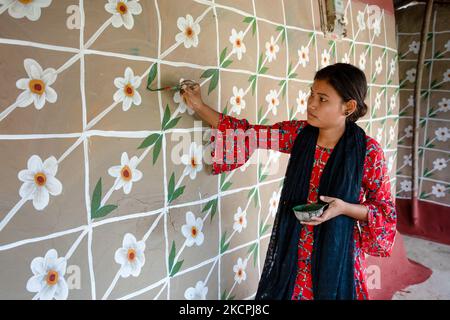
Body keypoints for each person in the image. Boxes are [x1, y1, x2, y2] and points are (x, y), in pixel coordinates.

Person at [179, 63, 397, 300]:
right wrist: (198, 105)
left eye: (322, 99)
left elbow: (384, 213)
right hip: (294, 252)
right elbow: (247, 133)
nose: (311, 103)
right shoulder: (299, 136)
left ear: (349, 107)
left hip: (338, 256)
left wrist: (343, 208)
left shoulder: (366, 152)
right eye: (311, 94)